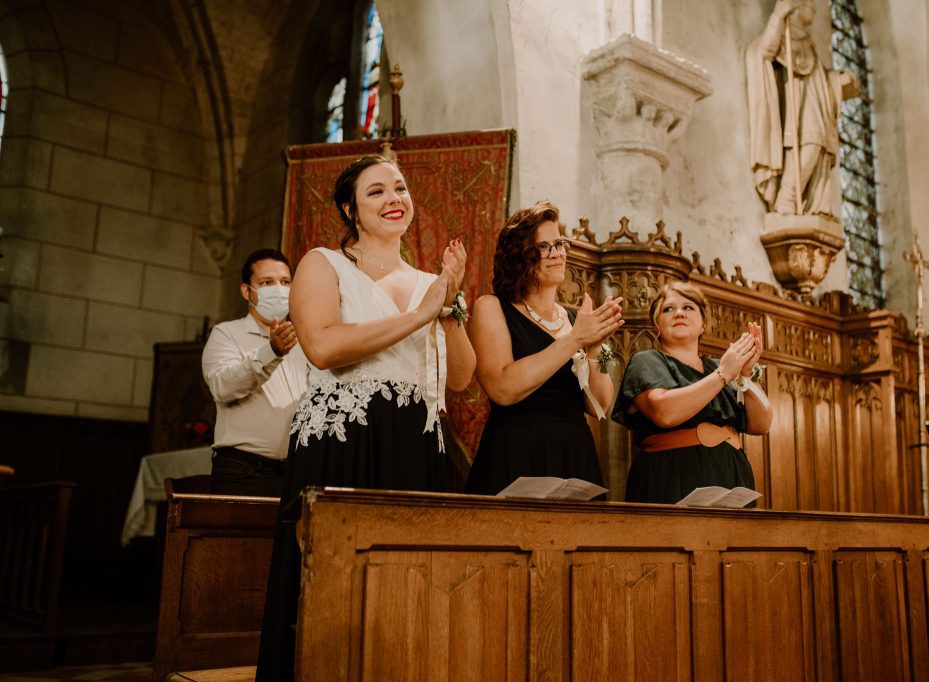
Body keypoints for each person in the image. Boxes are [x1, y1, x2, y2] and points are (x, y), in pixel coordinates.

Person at [256, 154, 476, 680]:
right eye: (375, 191)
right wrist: (420, 313)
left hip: (416, 443)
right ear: (349, 209)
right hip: (344, 438)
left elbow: (463, 377)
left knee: (409, 584)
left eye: (399, 188)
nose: (393, 198)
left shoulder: (430, 281)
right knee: (333, 586)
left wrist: (448, 307)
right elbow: (324, 347)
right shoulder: (322, 264)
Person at [464, 200, 622, 496]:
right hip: (517, 451)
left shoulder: (575, 320)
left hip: (574, 453)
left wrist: (594, 348)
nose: (558, 253)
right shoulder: (493, 307)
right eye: (545, 246)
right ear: (519, 256)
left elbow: (599, 405)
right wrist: (574, 340)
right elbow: (502, 388)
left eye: (560, 244)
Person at [612, 281, 773, 504]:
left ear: (703, 324)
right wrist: (723, 374)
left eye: (688, 307)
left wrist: (744, 375)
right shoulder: (647, 361)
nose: (679, 313)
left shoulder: (723, 366)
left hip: (732, 474)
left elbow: (761, 424)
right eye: (668, 309)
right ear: (656, 323)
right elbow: (665, 413)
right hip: (672, 475)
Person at [201, 248, 308, 497]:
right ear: (246, 291)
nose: (279, 289)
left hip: (296, 473)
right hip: (244, 472)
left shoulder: (304, 340)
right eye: (266, 283)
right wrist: (272, 351)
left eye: (285, 282)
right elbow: (223, 387)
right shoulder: (226, 334)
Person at [746, 0, 857, 217]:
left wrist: (838, 81)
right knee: (811, 144)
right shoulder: (785, 34)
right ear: (795, 6)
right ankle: (786, 199)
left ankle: (813, 205)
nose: (814, 8)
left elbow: (819, 77)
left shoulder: (808, 42)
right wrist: (778, 16)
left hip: (816, 106)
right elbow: (766, 51)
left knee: (819, 148)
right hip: (799, 111)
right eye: (808, 3)